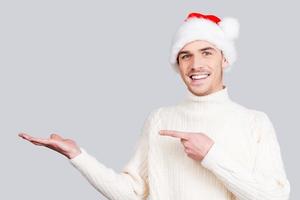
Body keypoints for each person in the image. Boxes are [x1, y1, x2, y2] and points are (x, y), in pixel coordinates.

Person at [18, 12, 291, 200]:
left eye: (206, 53)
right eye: (186, 56)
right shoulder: (161, 119)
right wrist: (78, 156)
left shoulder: (255, 122)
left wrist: (211, 155)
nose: (195, 65)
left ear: (225, 60)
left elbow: (275, 197)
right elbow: (132, 193)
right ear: (178, 64)